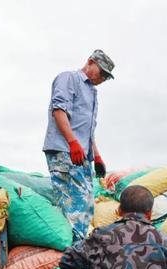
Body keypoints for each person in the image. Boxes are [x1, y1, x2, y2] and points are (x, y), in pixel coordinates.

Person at [43, 49, 114, 242]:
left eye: (107, 77)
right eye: (103, 73)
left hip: (81, 155)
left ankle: (77, 247)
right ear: (90, 62)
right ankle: (72, 252)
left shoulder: (92, 93)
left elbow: (87, 131)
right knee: (74, 204)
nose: (103, 79)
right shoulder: (68, 79)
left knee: (86, 204)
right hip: (64, 151)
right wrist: (72, 142)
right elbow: (59, 111)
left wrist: (96, 156)